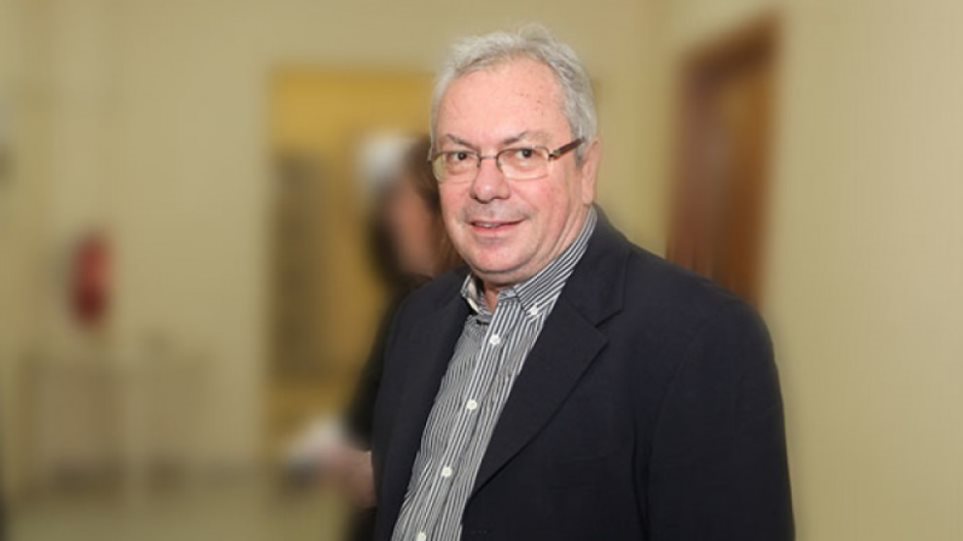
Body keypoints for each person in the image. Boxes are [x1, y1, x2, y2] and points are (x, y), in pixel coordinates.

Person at [369, 25, 794, 540]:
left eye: (523, 153)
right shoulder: (418, 320)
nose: (485, 186)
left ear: (586, 168)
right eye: (460, 156)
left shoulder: (702, 339)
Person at [334, 135, 463, 540]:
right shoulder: (407, 308)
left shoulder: (474, 319)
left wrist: (382, 470)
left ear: (438, 212)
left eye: (399, 199)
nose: (389, 216)